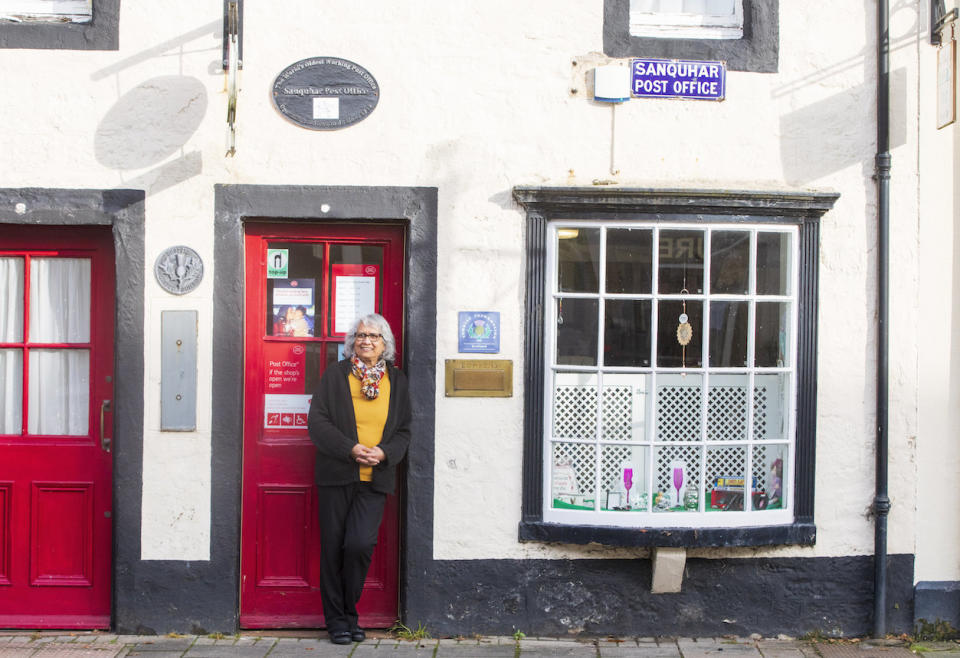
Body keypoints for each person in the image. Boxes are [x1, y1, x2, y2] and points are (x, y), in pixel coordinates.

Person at [307, 313, 412, 645]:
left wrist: (383, 453)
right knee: (333, 548)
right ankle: (337, 620)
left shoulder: (396, 381)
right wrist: (350, 448)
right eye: (361, 335)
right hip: (337, 475)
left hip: (375, 478)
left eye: (375, 336)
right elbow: (318, 422)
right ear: (352, 341)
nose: (367, 340)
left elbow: (404, 430)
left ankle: (349, 612)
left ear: (385, 345)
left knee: (359, 545)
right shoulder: (336, 376)